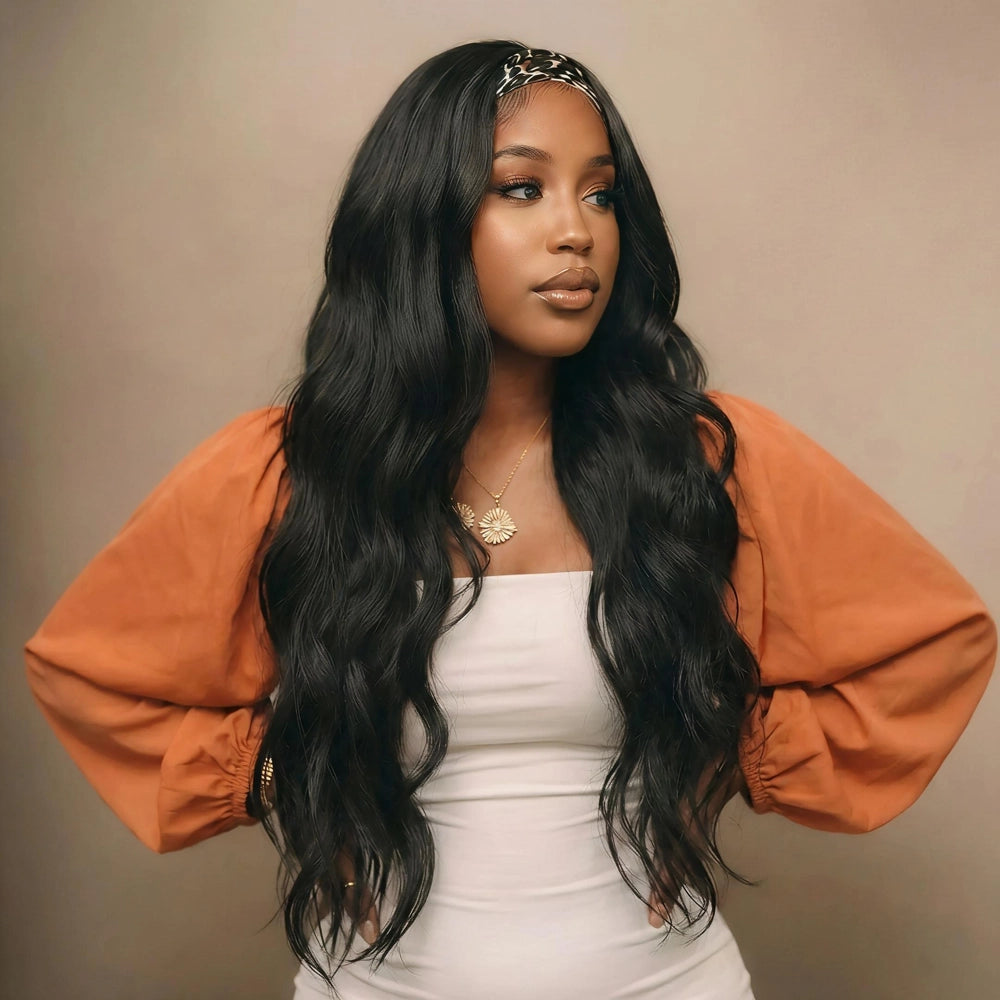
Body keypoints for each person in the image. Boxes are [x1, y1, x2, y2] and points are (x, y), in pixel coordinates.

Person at [24, 41, 995, 1000]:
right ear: (424, 219)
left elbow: (932, 644)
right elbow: (91, 670)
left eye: (601, 193)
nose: (577, 231)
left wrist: (727, 745)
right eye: (522, 189)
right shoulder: (289, 471)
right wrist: (299, 766)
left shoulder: (704, 461)